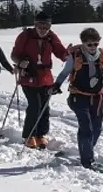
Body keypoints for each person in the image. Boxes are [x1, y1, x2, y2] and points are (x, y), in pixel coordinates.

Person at [50, 27, 103, 169]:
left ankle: (85, 151)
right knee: (86, 128)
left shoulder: (102, 55)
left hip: (97, 98)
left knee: (96, 128)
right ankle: (87, 160)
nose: (93, 47)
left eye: (95, 43)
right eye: (89, 44)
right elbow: (65, 72)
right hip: (78, 96)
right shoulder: (75, 56)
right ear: (83, 43)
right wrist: (57, 85)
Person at [10, 11, 70, 148]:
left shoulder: (51, 37)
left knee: (44, 107)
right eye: (40, 26)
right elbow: (14, 55)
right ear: (35, 25)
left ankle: (41, 135)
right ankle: (29, 135)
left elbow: (60, 52)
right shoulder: (25, 36)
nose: (43, 29)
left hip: (46, 78)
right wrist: (20, 62)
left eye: (46, 26)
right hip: (28, 76)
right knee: (34, 106)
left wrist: (68, 55)